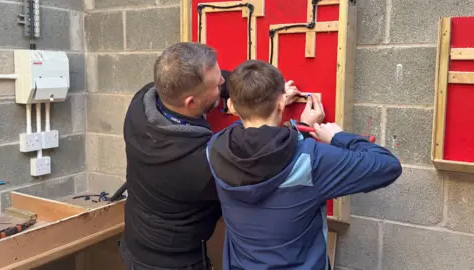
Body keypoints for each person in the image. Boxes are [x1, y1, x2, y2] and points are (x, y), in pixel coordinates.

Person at [120, 42, 306, 270]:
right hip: (172, 263)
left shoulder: (143, 101)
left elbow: (215, 80)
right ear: (191, 102)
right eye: (217, 85)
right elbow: (260, 157)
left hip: (135, 241)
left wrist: (260, 92)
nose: (222, 82)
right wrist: (286, 118)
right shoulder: (195, 164)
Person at [205, 60, 403, 270]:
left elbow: (254, 139)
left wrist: (298, 124)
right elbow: (388, 165)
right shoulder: (312, 159)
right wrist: (339, 137)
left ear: (232, 106)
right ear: (282, 102)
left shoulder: (215, 148)